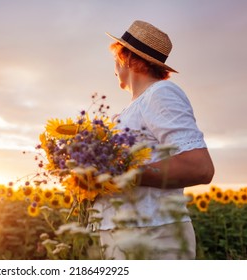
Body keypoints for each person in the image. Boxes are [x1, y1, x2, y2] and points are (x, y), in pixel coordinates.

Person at [93, 20, 215, 259]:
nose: (114, 69)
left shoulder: (160, 93)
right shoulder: (129, 111)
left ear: (125, 58)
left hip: (152, 235)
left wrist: (120, 174)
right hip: (124, 233)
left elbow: (199, 167)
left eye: (115, 60)